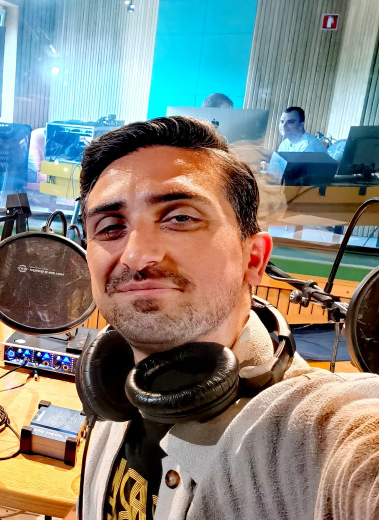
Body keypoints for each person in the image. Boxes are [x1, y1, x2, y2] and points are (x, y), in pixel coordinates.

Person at [65, 116, 379, 519]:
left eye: (180, 218)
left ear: (253, 259)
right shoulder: (115, 392)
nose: (137, 255)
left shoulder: (318, 433)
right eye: (110, 227)